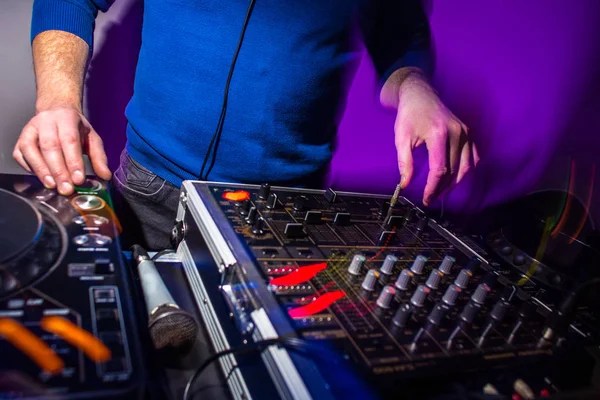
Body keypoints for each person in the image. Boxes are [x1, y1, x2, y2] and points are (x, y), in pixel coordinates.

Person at [14, 0, 478, 250]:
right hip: (147, 189)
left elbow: (400, 37)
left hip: (287, 212)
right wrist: (58, 101)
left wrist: (415, 84)